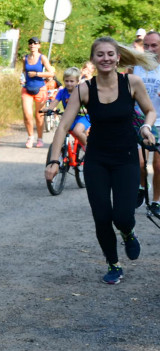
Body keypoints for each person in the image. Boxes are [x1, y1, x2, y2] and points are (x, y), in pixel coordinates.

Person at [45, 37, 158, 285]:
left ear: (118, 57)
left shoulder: (132, 82)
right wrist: (53, 160)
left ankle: (128, 232)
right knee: (102, 216)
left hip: (127, 158)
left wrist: (146, 129)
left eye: (110, 54)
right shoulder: (84, 89)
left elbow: (150, 110)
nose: (105, 58)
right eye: (100, 54)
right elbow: (64, 125)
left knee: (123, 216)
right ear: (93, 59)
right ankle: (113, 263)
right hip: (97, 160)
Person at [133, 30, 160, 216]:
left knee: (158, 166)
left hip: (159, 120)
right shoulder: (137, 65)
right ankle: (143, 185)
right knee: (139, 163)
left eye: (154, 45)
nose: (149, 49)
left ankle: (157, 201)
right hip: (138, 118)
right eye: (146, 45)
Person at [41, 67, 91, 147]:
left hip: (82, 117)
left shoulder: (80, 91)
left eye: (72, 81)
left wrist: (85, 110)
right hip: (69, 118)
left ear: (77, 81)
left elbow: (89, 104)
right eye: (66, 81)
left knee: (77, 131)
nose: (69, 83)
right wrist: (48, 109)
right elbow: (55, 101)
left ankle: (89, 149)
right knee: (60, 131)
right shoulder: (62, 92)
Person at [21, 37, 55, 148]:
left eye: (35, 43)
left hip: (40, 88)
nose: (32, 45)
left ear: (39, 45)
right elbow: (23, 71)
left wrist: (36, 74)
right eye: (30, 43)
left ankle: (40, 138)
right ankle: (30, 137)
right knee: (27, 115)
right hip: (27, 88)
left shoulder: (42, 58)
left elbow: (51, 73)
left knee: (39, 115)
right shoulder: (25, 58)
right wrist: (22, 78)